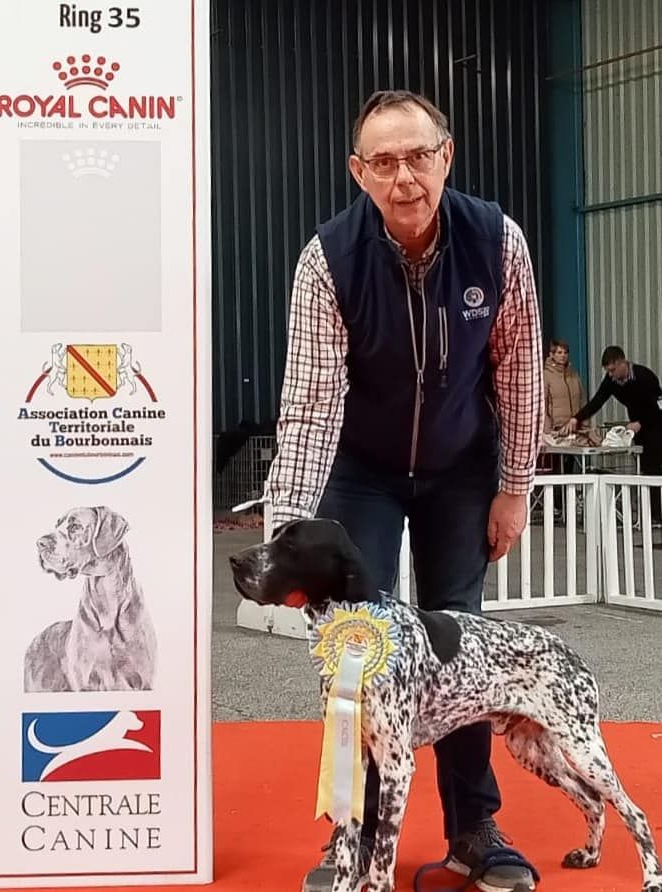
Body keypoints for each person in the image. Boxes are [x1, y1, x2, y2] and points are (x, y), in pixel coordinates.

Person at [264, 90, 544, 892]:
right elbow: (310, 401)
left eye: (418, 156)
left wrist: (514, 487)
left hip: (461, 466)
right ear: (358, 173)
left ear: (445, 156)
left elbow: (519, 373)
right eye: (383, 162)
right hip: (363, 468)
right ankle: (348, 837)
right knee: (356, 651)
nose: (404, 177)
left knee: (463, 643)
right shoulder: (326, 258)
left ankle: (473, 828)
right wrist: (288, 529)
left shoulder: (497, 241)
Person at [560, 345, 662, 522]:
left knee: (656, 468)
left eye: (613, 370)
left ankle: (656, 514)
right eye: (608, 371)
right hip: (637, 430)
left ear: (623, 362)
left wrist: (641, 422)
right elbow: (597, 401)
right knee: (646, 469)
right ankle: (652, 516)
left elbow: (658, 406)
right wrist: (576, 419)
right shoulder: (611, 381)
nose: (611, 375)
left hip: (656, 425)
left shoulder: (645, 376)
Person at [543, 339, 585, 434]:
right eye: (559, 352)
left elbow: (582, 401)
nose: (563, 355)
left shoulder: (574, 375)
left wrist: (585, 424)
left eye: (565, 352)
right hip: (557, 429)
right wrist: (548, 431)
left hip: (576, 428)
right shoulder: (546, 375)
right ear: (551, 354)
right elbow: (543, 405)